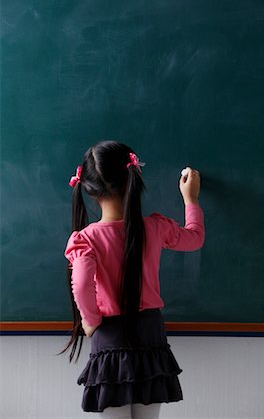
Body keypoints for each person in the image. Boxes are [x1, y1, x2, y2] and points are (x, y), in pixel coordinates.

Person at [59, 140, 205, 418]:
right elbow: (195, 238)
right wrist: (191, 200)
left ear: (88, 189)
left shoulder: (86, 239)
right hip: (150, 334)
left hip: (110, 336)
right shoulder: (155, 227)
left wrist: (89, 320)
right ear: (132, 178)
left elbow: (80, 280)